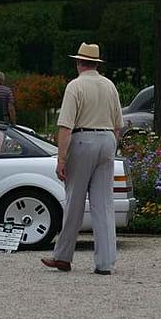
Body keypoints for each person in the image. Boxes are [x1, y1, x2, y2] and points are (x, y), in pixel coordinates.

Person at [41, 42, 123, 275]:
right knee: (104, 204)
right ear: (96, 63)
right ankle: (105, 263)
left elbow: (66, 127)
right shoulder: (109, 85)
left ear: (78, 62)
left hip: (82, 139)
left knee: (74, 202)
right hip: (107, 140)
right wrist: (110, 147)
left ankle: (63, 256)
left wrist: (61, 160)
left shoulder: (75, 86)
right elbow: (118, 125)